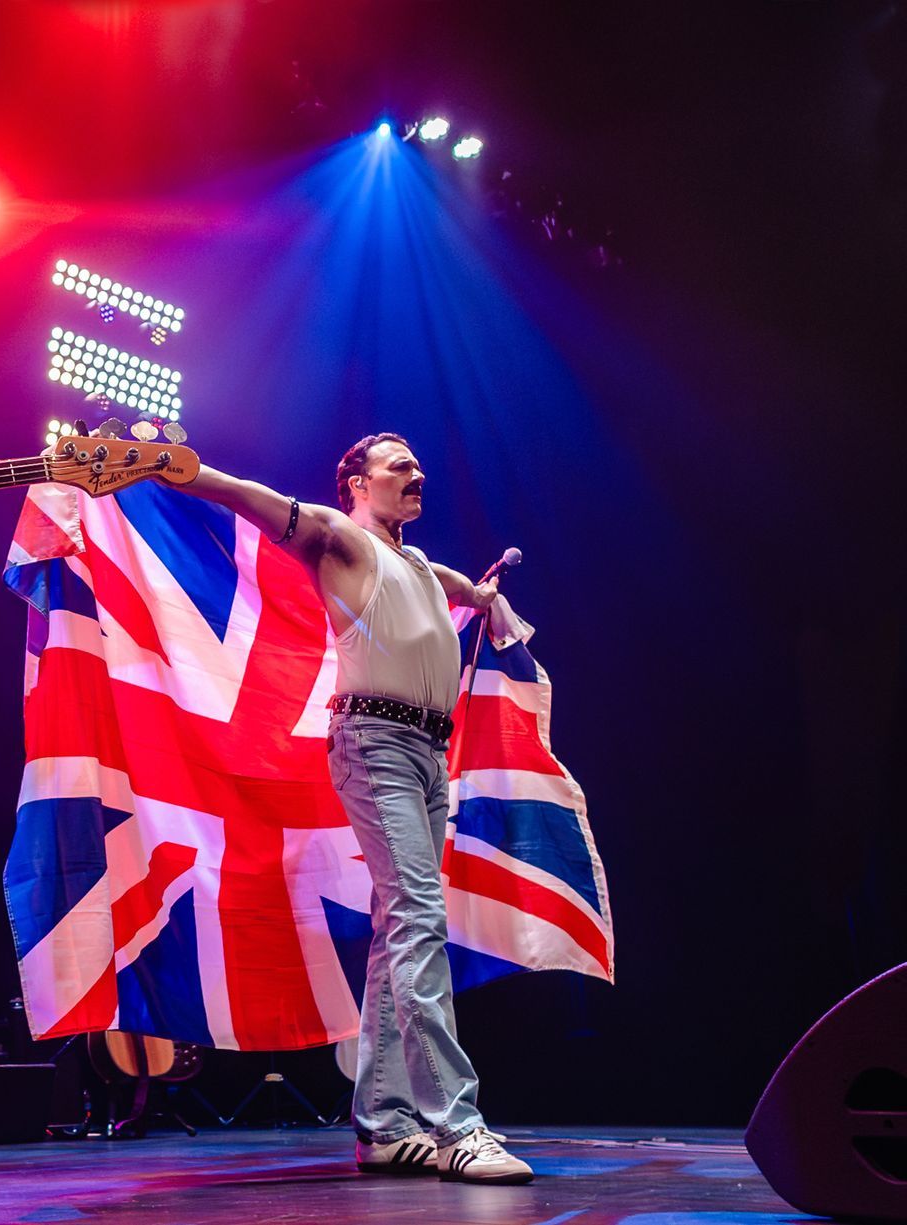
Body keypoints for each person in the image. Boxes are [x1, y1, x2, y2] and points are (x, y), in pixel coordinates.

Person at [182, 433, 533, 1185]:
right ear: (355, 483)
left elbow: (451, 582)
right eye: (400, 464)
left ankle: (383, 1124)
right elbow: (254, 498)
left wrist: (484, 594)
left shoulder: (415, 564)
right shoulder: (340, 538)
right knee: (417, 916)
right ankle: (457, 1124)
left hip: (428, 754)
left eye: (418, 462)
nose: (419, 473)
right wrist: (188, 470)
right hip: (376, 743)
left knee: (395, 929)